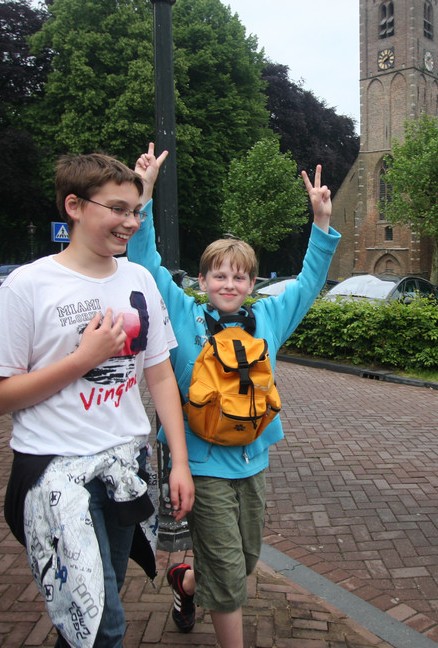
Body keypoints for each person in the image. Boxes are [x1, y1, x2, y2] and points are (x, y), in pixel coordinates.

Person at [0, 152, 194, 648]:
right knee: (102, 627)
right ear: (74, 206)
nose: (130, 222)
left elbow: (160, 376)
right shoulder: (28, 286)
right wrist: (82, 359)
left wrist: (178, 463)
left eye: (136, 211)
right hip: (55, 473)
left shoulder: (138, 280)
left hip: (125, 466)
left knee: (88, 620)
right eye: (117, 209)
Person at [128, 143, 340, 647]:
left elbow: (310, 282)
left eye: (238, 276)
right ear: (202, 280)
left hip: (252, 460)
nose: (229, 283)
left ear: (251, 283)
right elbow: (145, 262)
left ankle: (184, 582)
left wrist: (320, 221)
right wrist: (145, 194)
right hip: (202, 466)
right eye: (219, 275)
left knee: (242, 561)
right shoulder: (183, 314)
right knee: (229, 580)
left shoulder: (268, 318)